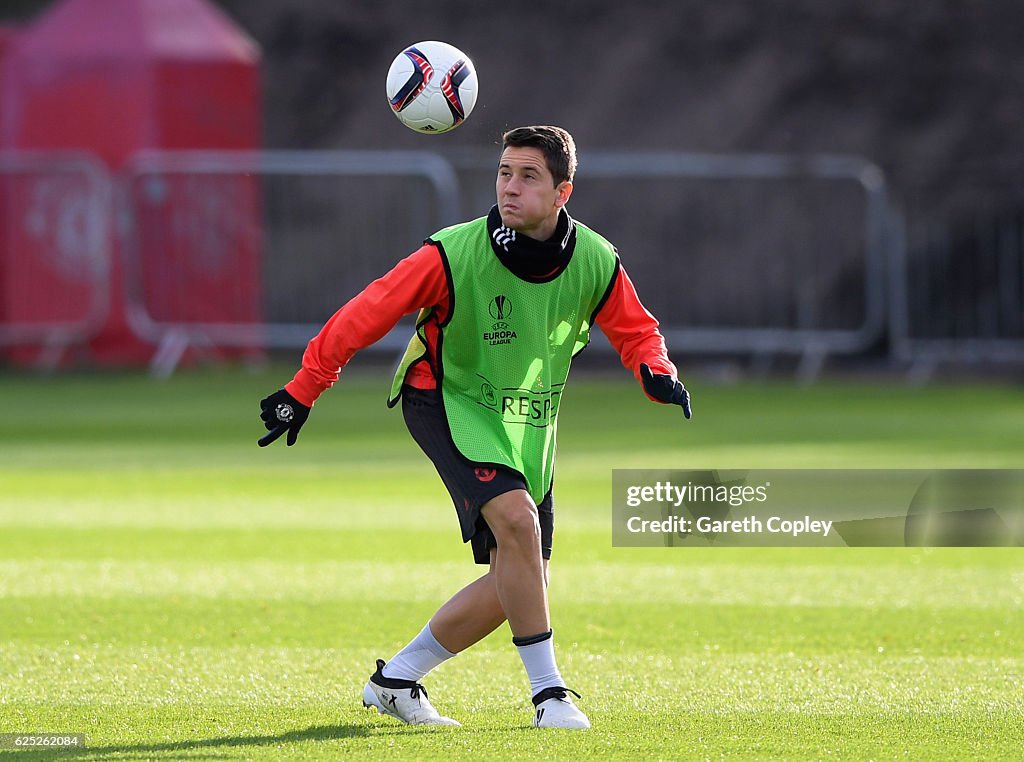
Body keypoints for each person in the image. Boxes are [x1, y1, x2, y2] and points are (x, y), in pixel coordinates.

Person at [258, 125, 691, 730]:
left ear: (563, 192)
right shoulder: (454, 252)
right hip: (442, 400)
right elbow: (368, 310)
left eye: (528, 176)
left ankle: (396, 680)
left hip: (521, 421)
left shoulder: (595, 258)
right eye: (504, 173)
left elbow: (637, 330)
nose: (510, 188)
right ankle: (551, 696)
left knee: (520, 576)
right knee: (517, 523)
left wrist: (656, 369)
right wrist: (304, 389)